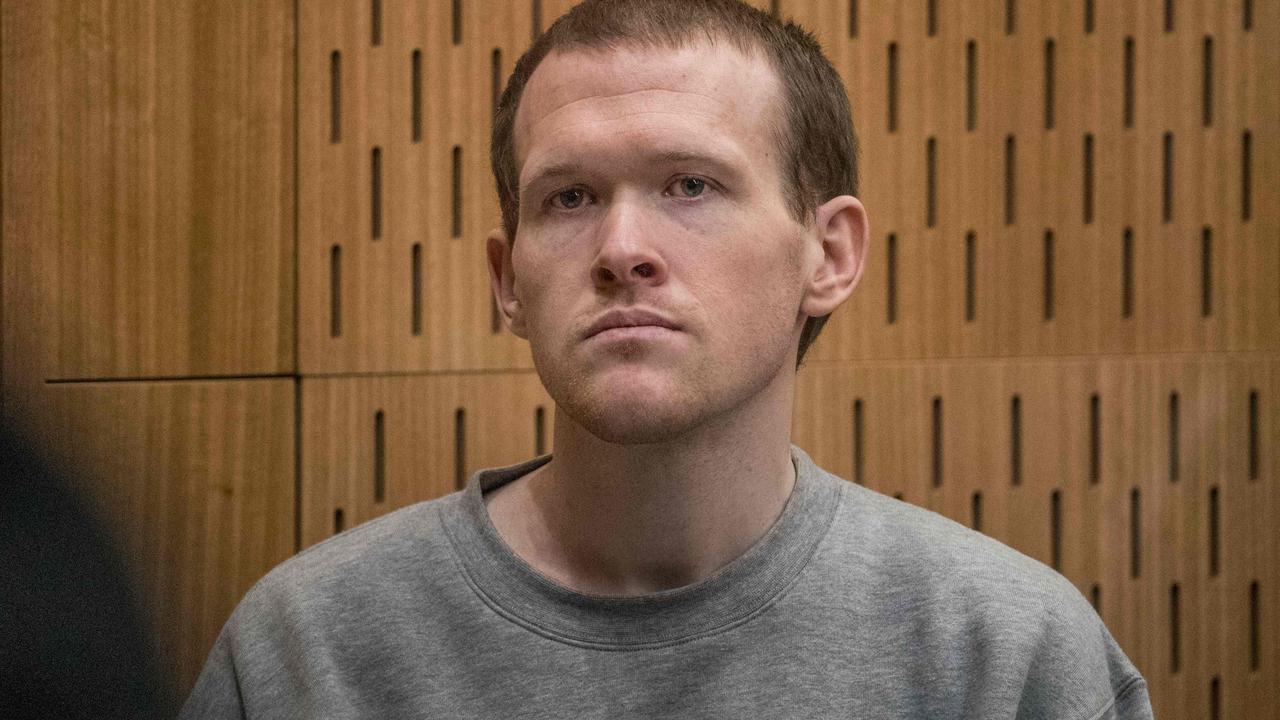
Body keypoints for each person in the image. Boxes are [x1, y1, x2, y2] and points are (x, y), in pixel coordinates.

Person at [181, 1, 1154, 717]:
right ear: (506, 281)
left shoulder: (1001, 654)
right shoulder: (310, 652)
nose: (619, 248)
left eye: (689, 184)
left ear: (829, 253)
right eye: (567, 198)